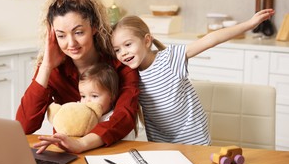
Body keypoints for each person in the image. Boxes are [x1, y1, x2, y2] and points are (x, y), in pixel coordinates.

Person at [111, 9, 275, 145]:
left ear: (146, 41)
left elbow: (211, 39)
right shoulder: (130, 75)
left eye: (128, 44)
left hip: (194, 139)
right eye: (117, 49)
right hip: (161, 144)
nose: (123, 53)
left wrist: (249, 24)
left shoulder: (170, 58)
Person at [16, 0, 139, 154]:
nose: (71, 43)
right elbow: (24, 126)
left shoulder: (120, 64)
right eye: (61, 35)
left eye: (79, 32)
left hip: (109, 150)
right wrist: (45, 65)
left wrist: (82, 144)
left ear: (94, 27)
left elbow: (125, 116)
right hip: (66, 153)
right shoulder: (52, 68)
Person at [79, 63, 136, 140]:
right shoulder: (83, 115)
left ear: (112, 97)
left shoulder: (114, 119)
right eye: (83, 96)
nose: (87, 101)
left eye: (94, 96)